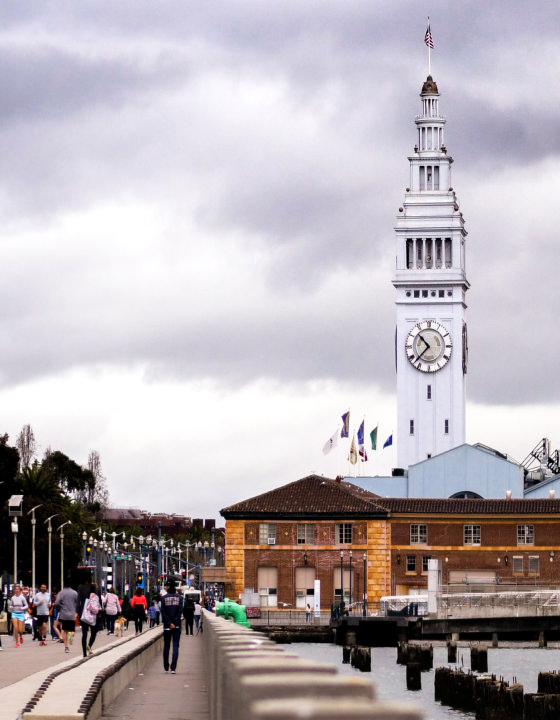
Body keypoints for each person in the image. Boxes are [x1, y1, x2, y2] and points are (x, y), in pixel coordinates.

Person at [160, 579, 183, 673]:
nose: (165, 587)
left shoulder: (164, 598)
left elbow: (163, 612)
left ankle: (166, 666)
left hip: (167, 626)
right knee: (175, 646)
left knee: (166, 646)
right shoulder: (180, 598)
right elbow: (180, 612)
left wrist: (169, 623)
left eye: (166, 586)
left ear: (169, 587)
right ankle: (173, 667)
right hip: (177, 626)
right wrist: (174, 622)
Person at [54, 580, 79, 653]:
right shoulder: (75, 593)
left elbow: (57, 603)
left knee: (64, 630)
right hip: (72, 614)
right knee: (71, 629)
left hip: (64, 614)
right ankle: (71, 634)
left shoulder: (61, 593)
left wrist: (61, 607)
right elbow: (77, 603)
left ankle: (66, 647)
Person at [80, 583, 101, 657]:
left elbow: (80, 604)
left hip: (84, 616)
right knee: (93, 633)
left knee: (84, 634)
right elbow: (98, 607)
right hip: (93, 617)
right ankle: (89, 645)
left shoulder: (84, 595)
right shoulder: (96, 596)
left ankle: (84, 653)